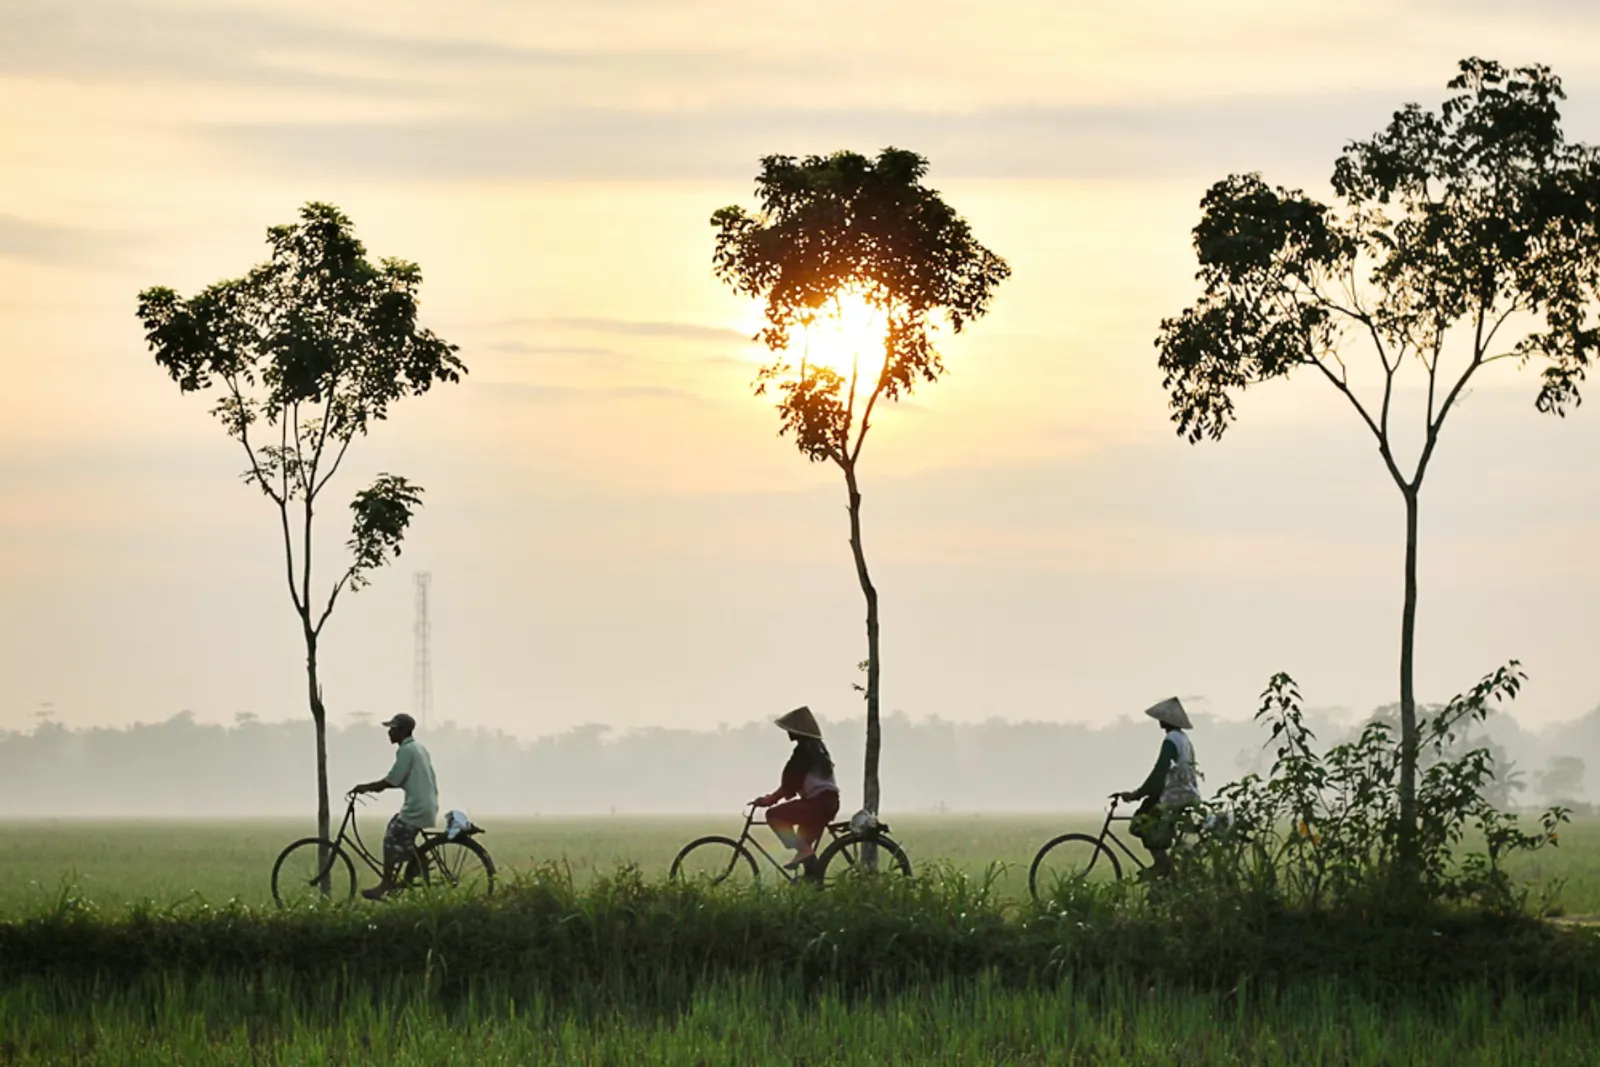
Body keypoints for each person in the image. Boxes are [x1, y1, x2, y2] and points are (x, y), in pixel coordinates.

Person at [350, 712, 438, 901]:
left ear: (403, 731)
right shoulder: (418, 748)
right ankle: (417, 859)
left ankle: (387, 882)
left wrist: (365, 788)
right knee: (394, 826)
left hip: (417, 808)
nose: (389, 732)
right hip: (424, 804)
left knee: (390, 840)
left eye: (393, 729)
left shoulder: (406, 751)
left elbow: (393, 780)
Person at [752, 706, 840, 877]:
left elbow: (790, 783)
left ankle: (804, 851)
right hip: (827, 803)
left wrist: (770, 800)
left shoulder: (804, 752)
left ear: (798, 731)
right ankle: (814, 886)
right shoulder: (817, 749)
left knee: (774, 816)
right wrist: (773, 796)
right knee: (806, 853)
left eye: (790, 730)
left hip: (818, 804)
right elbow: (792, 783)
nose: (788, 733)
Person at [1118, 696, 1200, 878]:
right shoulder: (1184, 739)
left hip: (1176, 795)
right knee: (1151, 811)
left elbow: (1160, 772)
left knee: (1142, 821)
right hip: (1187, 792)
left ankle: (1162, 864)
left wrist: (1136, 794)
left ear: (1166, 720)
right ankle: (1167, 871)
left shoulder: (1171, 739)